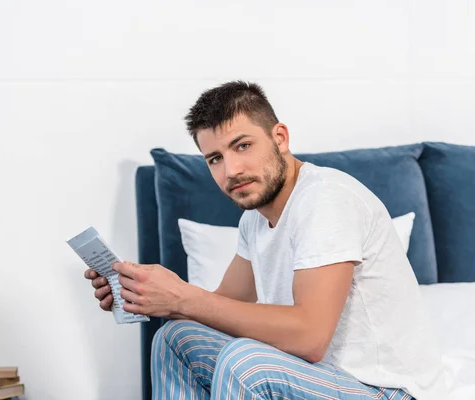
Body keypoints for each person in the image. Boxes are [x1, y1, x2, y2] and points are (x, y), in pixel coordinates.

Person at [84, 81, 448, 399]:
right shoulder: (253, 223)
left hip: (385, 391)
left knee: (247, 363)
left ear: (280, 138)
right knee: (177, 338)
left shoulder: (325, 199)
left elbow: (309, 337)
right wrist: (148, 294)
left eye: (242, 146)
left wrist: (182, 296)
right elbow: (218, 309)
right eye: (214, 158)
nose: (231, 171)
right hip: (321, 383)